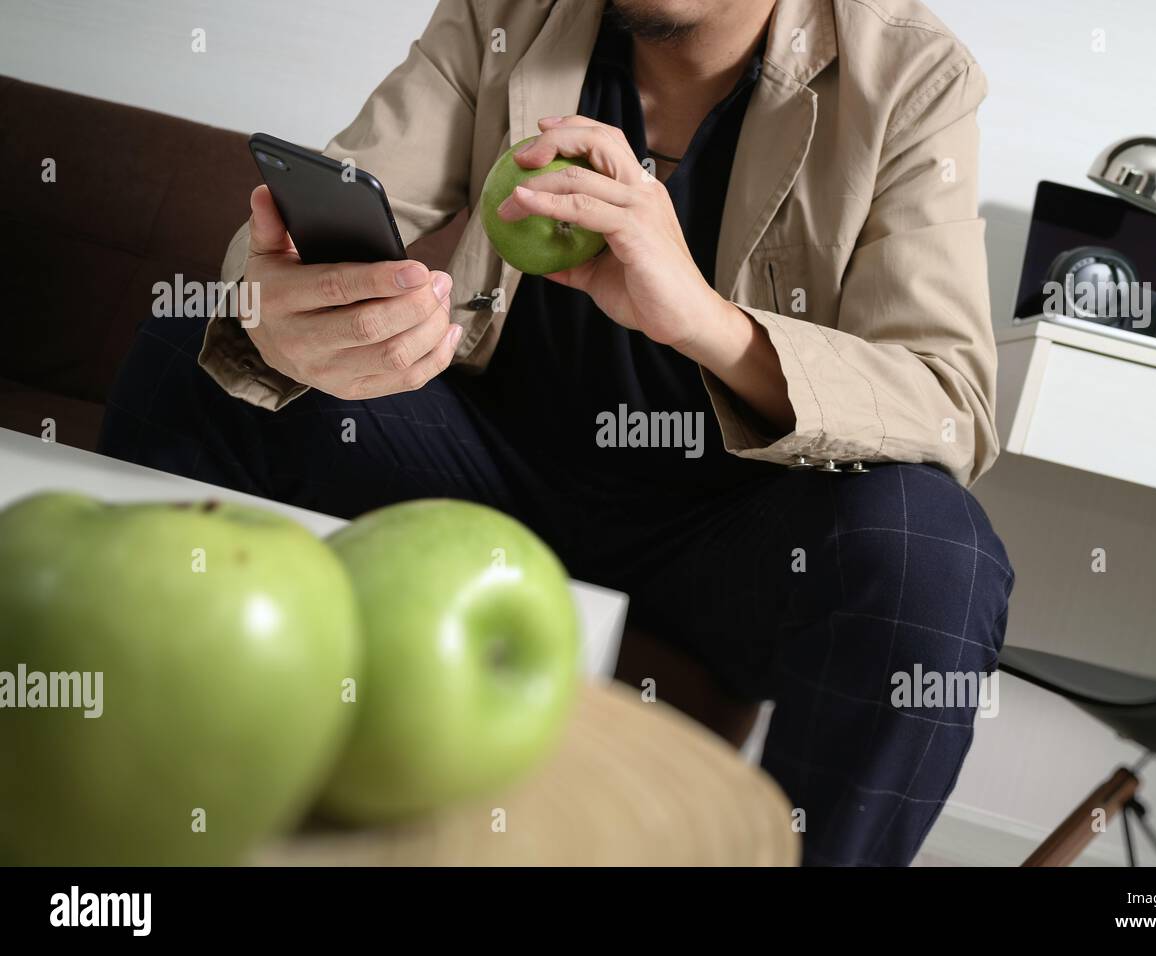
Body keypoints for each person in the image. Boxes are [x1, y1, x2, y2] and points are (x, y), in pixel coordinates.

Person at [101, 0, 1013, 866]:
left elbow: (947, 401)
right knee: (203, 346)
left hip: (727, 538)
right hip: (482, 469)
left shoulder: (911, 74)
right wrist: (286, 306)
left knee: (933, 551)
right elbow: (333, 210)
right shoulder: (507, 13)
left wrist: (699, 316)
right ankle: (122, 788)